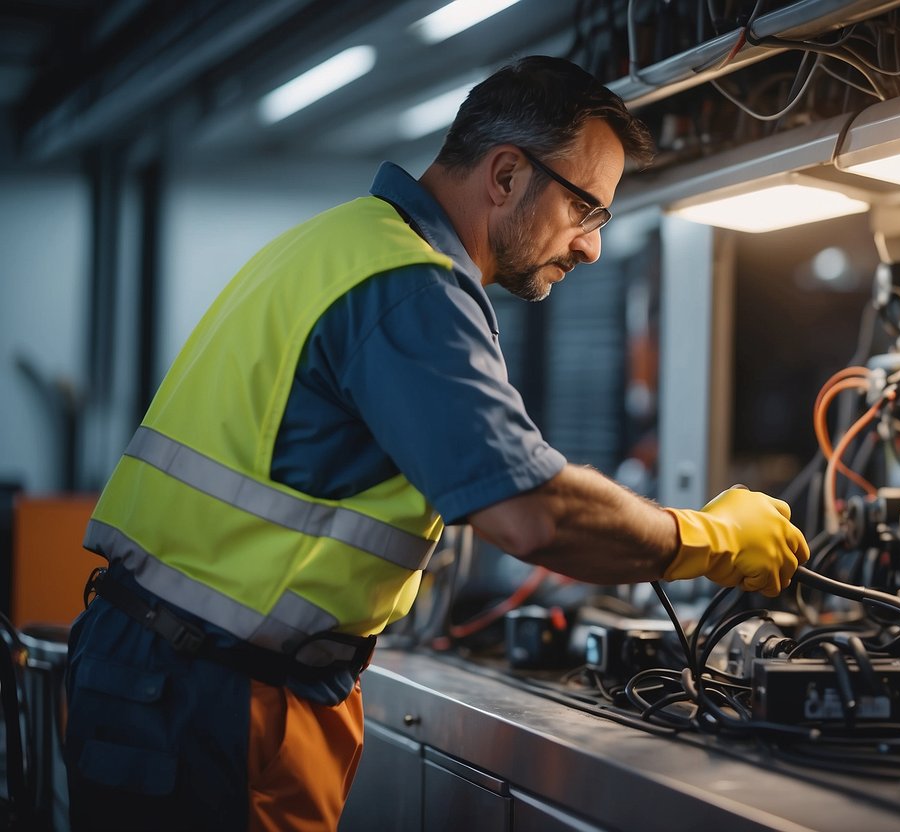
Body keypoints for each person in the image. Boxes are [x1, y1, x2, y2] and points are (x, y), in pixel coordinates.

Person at [64, 55, 810, 831]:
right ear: (507, 175)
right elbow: (532, 515)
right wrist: (711, 540)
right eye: (586, 209)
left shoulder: (341, 242)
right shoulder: (408, 284)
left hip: (170, 675)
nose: (590, 247)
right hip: (205, 697)